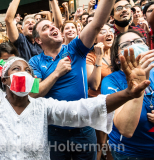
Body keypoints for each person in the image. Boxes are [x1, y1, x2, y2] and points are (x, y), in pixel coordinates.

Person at [0, 3, 151, 160]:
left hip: (80, 135)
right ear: (5, 80)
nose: (24, 73)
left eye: (27, 71)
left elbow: (87, 108)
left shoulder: (44, 108)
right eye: (16, 69)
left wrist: (129, 93)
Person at [29, 0, 115, 159]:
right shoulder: (34, 62)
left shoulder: (75, 48)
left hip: (83, 128)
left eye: (53, 25)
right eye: (45, 28)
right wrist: (56, 73)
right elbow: (34, 92)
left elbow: (97, 24)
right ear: (38, 40)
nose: (53, 27)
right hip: (54, 132)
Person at [101, 29, 154, 160]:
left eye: (138, 42)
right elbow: (126, 130)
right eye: (125, 45)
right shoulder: (111, 81)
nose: (133, 46)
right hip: (131, 153)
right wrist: (138, 84)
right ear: (117, 59)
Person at [86, 24, 114, 160]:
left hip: (117, 103)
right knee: (100, 144)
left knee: (113, 143)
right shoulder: (90, 56)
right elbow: (94, 84)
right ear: (95, 38)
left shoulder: (117, 54)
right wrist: (98, 56)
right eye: (103, 31)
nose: (109, 33)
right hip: (99, 106)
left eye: (111, 30)